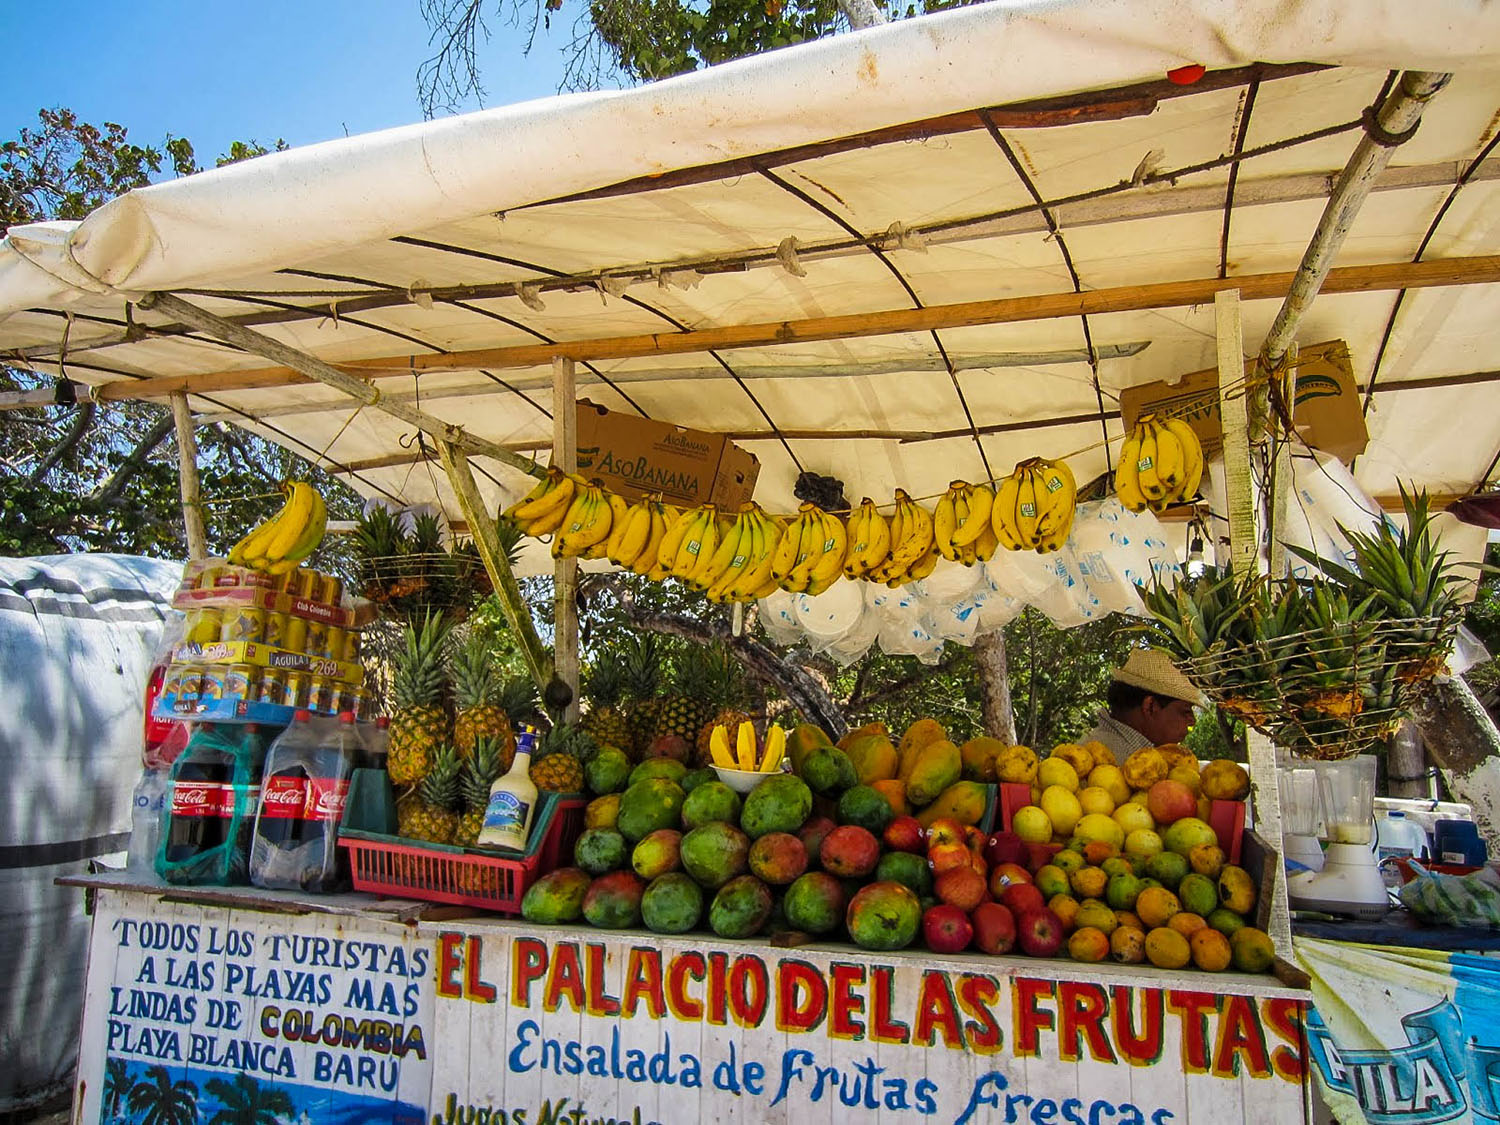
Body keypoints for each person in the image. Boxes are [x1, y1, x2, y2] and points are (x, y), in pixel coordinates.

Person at [1084, 648, 1203, 758]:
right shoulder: (1121, 763)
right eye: (1185, 711)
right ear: (1150, 706)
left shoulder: (1098, 748)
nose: (1192, 720)